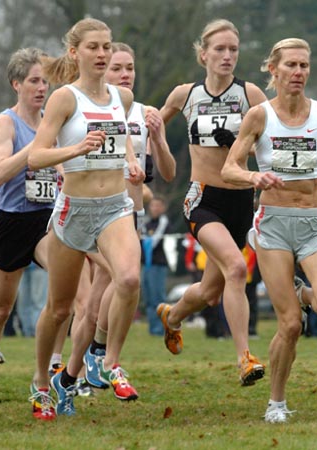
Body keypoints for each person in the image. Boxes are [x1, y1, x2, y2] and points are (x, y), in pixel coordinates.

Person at [221, 37, 317, 423]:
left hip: (313, 224)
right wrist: (253, 176)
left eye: (304, 66)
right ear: (273, 70)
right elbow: (229, 167)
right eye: (291, 65)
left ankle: (307, 294)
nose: (298, 73)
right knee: (290, 324)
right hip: (274, 226)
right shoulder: (260, 116)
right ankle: (276, 402)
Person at [26, 18, 144, 420]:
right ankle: (44, 383)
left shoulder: (121, 97)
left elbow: (122, 135)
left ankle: (108, 362)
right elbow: (36, 156)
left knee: (128, 278)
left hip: (114, 205)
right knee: (59, 310)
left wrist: (130, 162)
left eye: (107, 47)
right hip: (73, 210)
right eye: (93, 47)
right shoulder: (64, 98)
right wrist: (76, 149)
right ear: (75, 52)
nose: (102, 54)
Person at [157, 19, 268, 386]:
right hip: (202, 197)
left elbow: (271, 143)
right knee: (237, 269)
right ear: (203, 54)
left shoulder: (251, 94)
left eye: (233, 49)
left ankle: (172, 317)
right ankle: (244, 358)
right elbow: (151, 126)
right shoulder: (184, 95)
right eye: (219, 49)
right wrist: (138, 155)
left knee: (210, 291)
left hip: (240, 201)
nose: (227, 56)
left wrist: (241, 143)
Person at [76, 41, 174, 394]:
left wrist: (159, 139)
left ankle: (92, 363)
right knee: (94, 294)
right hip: (90, 213)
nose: (125, 75)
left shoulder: (144, 112)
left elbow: (166, 172)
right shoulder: (86, 107)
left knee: (107, 290)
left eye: (129, 68)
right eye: (117, 68)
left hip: (128, 216)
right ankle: (86, 363)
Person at [0, 47, 54, 411]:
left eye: (45, 81)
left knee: (68, 299)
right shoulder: (6, 122)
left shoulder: (55, 118)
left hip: (47, 221)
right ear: (16, 83)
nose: (41, 88)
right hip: (11, 220)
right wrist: (35, 148)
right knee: (0, 309)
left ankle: (47, 375)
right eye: (33, 80)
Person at [142, 195, 171, 336]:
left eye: (158, 205)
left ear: (163, 208)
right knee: (148, 298)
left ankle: (162, 329)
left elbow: (154, 242)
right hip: (145, 266)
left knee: (158, 298)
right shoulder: (146, 223)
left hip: (158, 265)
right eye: (153, 205)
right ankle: (153, 329)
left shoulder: (164, 222)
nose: (155, 208)